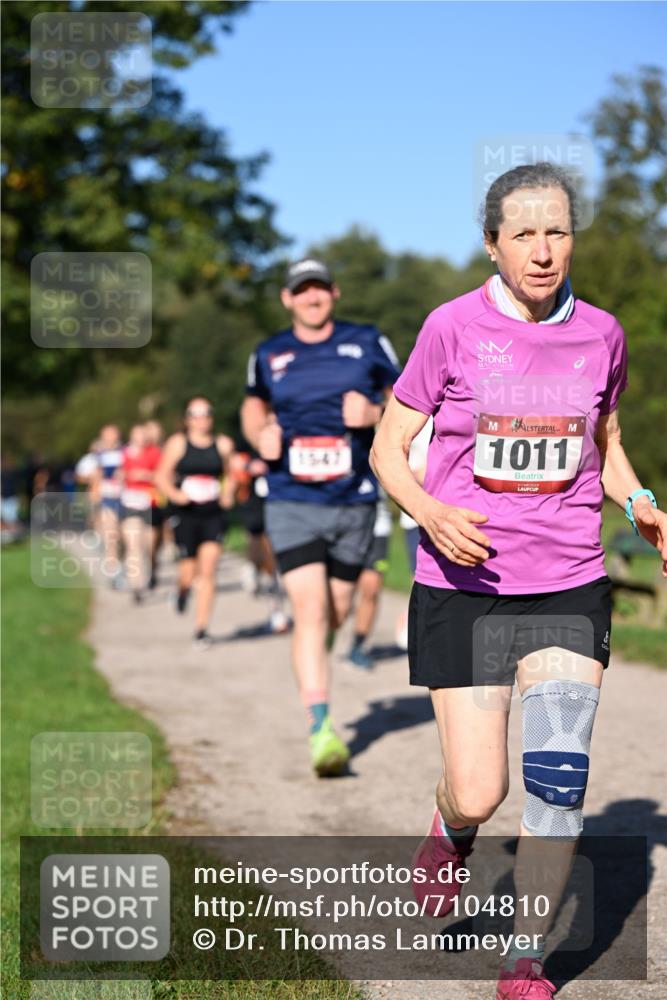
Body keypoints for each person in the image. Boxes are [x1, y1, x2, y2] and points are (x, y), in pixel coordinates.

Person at [370, 163, 667, 999]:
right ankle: (450, 829)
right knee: (480, 788)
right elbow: (387, 450)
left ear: (573, 237)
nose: (543, 250)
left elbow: (603, 443)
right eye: (524, 234)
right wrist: (428, 511)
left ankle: (526, 962)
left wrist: (642, 500)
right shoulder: (450, 328)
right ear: (493, 243)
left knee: (559, 782)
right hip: (462, 582)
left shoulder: (600, 333)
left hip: (569, 581)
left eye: (557, 231)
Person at [241, 258, 400, 776]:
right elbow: (253, 405)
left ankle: (317, 660)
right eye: (300, 291)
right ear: (287, 299)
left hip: (353, 499)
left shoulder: (368, 341)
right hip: (291, 498)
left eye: (318, 289)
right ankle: (321, 727)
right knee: (308, 610)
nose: (310, 298)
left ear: (334, 292)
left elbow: (408, 398)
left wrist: (376, 415)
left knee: (336, 608)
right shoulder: (269, 352)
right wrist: (257, 434)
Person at [155, 398, 233, 648]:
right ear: (187, 418)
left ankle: (201, 629)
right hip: (186, 512)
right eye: (195, 414)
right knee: (188, 570)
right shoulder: (178, 444)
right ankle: (182, 591)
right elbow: (161, 476)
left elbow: (231, 474)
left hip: (212, 512)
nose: (202, 419)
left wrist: (228, 493)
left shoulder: (223, 444)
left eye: (207, 413)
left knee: (208, 570)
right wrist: (176, 494)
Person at [229, 441, 290, 634]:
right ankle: (252, 568)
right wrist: (248, 467)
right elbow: (235, 464)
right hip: (255, 507)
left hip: (281, 505)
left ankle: (277, 612)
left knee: (273, 559)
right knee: (257, 551)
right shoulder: (249, 444)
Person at [345, 491, 392, 670]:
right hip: (344, 525)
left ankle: (358, 645)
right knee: (342, 595)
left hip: (379, 528)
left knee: (371, 588)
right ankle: (327, 630)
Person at [120, 424, 161, 604]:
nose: (140, 438)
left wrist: (146, 475)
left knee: (150, 546)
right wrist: (123, 475)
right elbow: (117, 474)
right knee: (133, 545)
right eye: (137, 435)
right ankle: (135, 586)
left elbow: (163, 475)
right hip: (130, 502)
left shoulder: (155, 453)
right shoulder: (124, 453)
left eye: (143, 435)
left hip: (151, 503)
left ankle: (152, 568)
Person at [90, 425, 124, 587]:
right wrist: (95, 492)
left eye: (113, 434)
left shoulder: (125, 451)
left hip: (125, 498)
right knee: (111, 536)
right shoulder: (98, 454)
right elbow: (95, 475)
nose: (110, 437)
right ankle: (113, 571)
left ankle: (120, 563)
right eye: (107, 435)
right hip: (107, 499)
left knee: (123, 538)